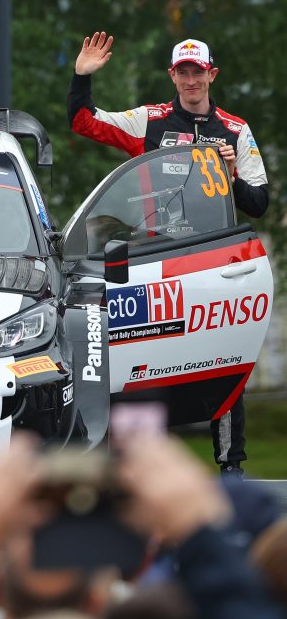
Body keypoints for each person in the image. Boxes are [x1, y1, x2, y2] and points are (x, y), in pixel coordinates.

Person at [67, 31, 269, 478]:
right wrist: (82, 77)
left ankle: (230, 466)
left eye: (199, 72)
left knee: (223, 358)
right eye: (183, 72)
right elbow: (84, 121)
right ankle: (135, 466)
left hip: (213, 263)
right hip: (155, 260)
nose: (191, 80)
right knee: (143, 359)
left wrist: (232, 176)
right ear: (172, 76)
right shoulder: (150, 121)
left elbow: (259, 203)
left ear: (212, 74)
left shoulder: (236, 130)